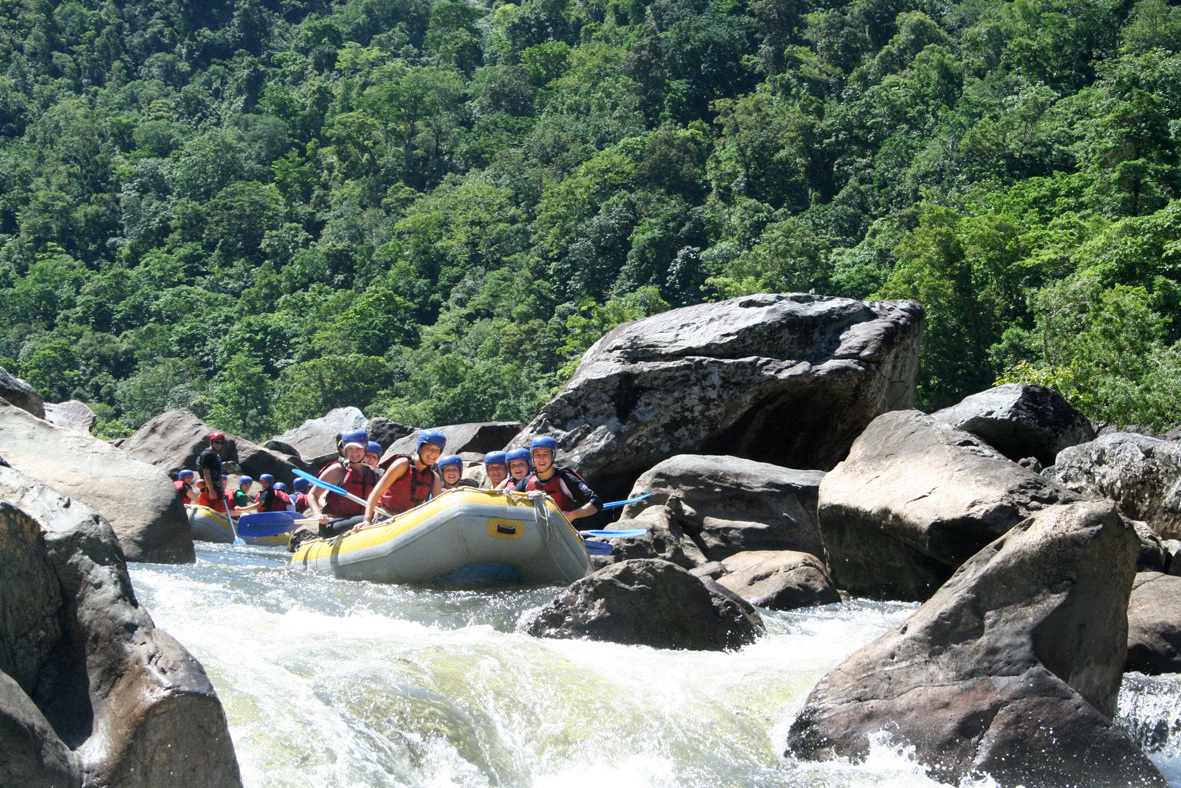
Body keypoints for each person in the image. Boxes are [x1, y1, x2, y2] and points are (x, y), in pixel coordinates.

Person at [360, 429, 445, 528]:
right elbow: (376, 493)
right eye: (429, 448)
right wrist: (367, 520)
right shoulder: (402, 464)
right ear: (420, 448)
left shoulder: (434, 477)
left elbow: (437, 507)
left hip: (409, 524)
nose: (433, 453)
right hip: (386, 518)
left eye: (437, 450)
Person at [309, 428, 381, 538]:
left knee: (376, 517)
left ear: (365, 449)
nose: (354, 452)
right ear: (345, 450)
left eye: (358, 448)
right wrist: (317, 514)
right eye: (350, 448)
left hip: (361, 520)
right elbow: (313, 495)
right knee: (370, 519)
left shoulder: (372, 474)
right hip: (333, 523)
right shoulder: (337, 470)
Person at [515, 436, 601, 522]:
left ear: (553, 456)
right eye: (537, 454)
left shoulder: (566, 479)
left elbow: (597, 503)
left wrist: (572, 515)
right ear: (533, 457)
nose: (541, 459)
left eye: (545, 454)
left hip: (565, 531)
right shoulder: (525, 482)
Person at [196, 431, 228, 511]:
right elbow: (206, 472)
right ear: (212, 442)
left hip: (217, 489)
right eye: (217, 442)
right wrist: (211, 490)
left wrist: (222, 491)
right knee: (207, 510)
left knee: (221, 511)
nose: (219, 445)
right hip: (208, 490)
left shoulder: (217, 456)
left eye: (221, 443)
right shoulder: (207, 454)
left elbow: (220, 476)